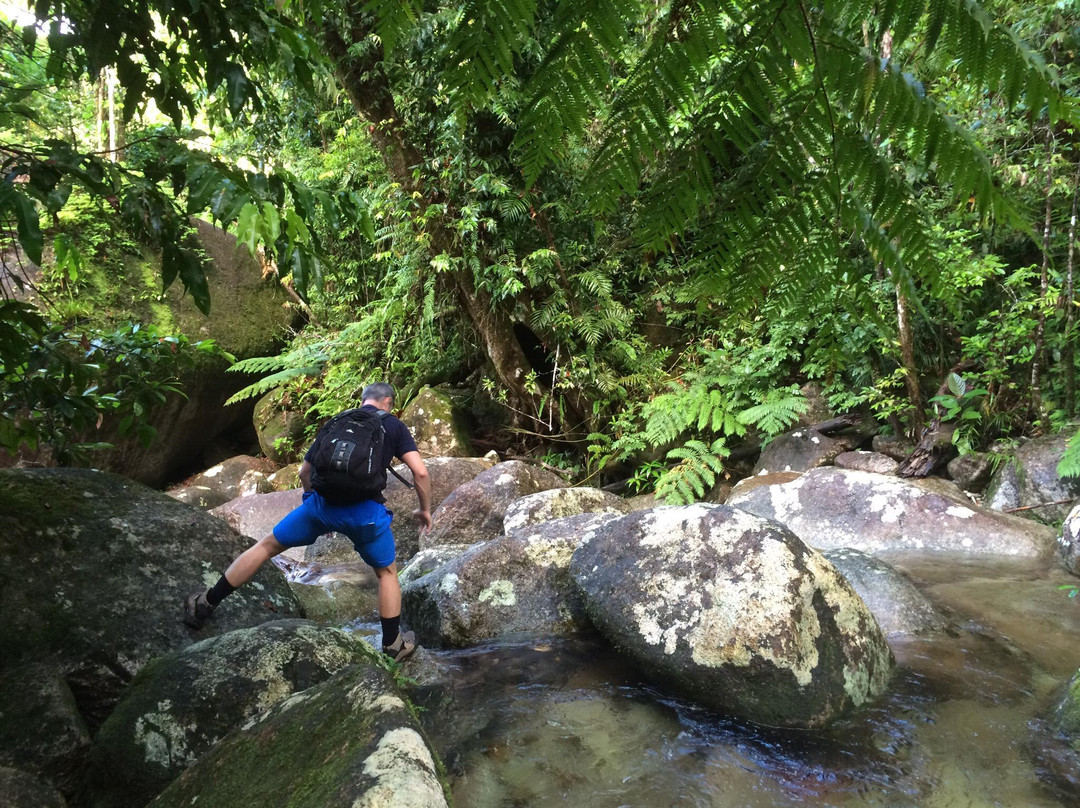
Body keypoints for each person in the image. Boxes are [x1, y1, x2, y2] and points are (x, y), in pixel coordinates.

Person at [183, 382, 432, 663]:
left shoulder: (338, 421)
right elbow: (420, 474)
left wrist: (313, 505)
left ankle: (206, 602)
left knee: (266, 546)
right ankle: (392, 646)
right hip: (365, 514)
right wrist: (425, 510)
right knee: (386, 573)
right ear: (388, 401)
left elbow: (305, 472)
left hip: (320, 507)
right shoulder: (394, 426)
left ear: (362, 400)